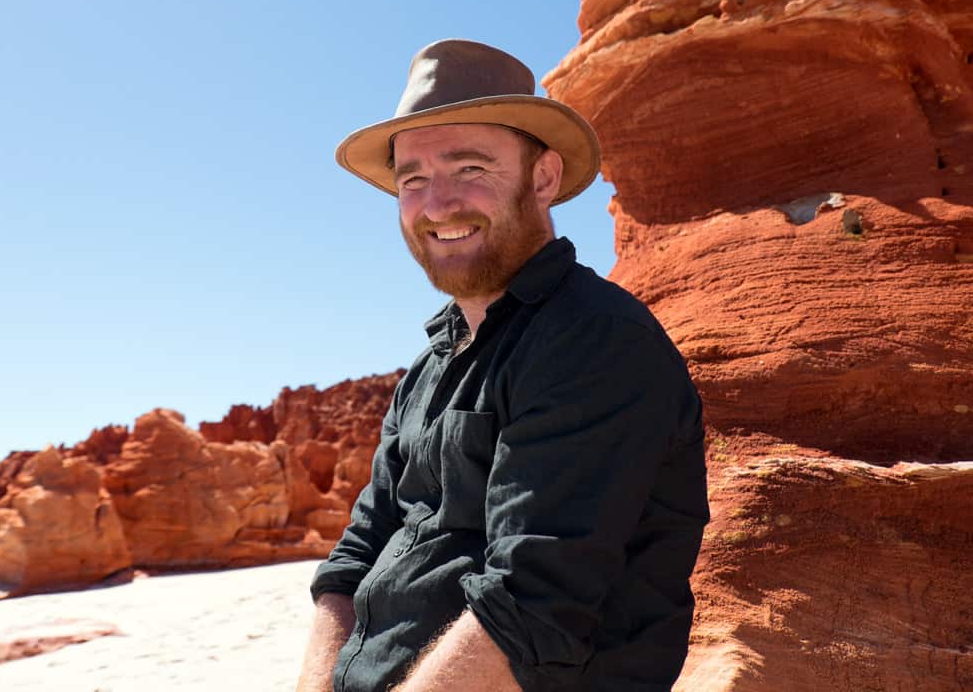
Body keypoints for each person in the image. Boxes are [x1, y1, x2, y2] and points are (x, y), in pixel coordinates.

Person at [295, 39, 709, 692]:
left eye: (470, 169)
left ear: (542, 178)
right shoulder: (431, 367)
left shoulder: (592, 341)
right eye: (413, 181)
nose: (437, 205)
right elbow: (353, 560)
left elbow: (532, 608)